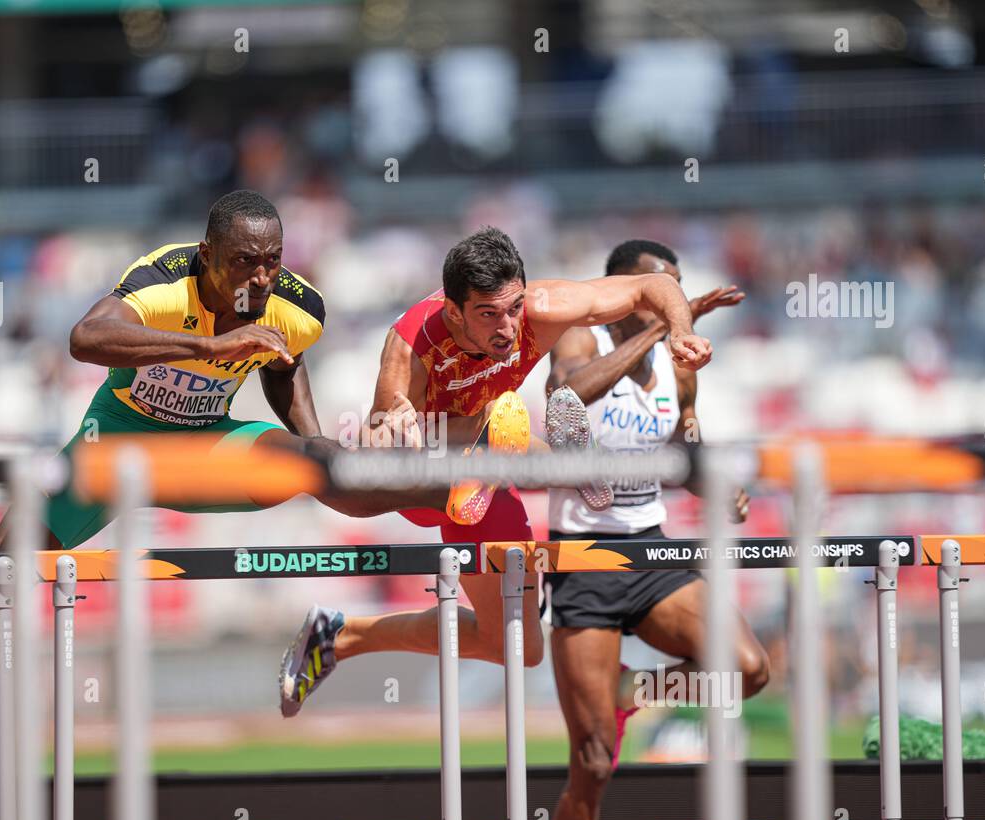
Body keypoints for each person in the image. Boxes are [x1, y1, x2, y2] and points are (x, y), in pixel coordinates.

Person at [0, 189, 443, 608]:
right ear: (208, 255)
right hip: (114, 444)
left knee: (325, 467)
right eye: (243, 263)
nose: (260, 279)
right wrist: (207, 347)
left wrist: (312, 437)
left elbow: (283, 362)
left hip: (202, 446)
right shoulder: (162, 280)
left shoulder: (298, 306)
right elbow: (85, 339)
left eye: (272, 263)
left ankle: (449, 488)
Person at [278, 226, 712, 716]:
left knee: (517, 645)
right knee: (365, 483)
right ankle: (557, 462)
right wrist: (390, 430)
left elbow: (650, 287)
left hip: (483, 481)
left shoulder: (543, 306)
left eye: (513, 309)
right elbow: (387, 449)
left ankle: (341, 635)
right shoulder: (411, 347)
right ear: (453, 311)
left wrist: (680, 328)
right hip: (428, 474)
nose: (506, 328)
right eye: (487, 314)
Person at [543, 239, 769, 820]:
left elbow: (684, 458)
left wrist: (717, 486)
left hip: (650, 550)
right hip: (583, 557)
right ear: (623, 292)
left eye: (677, 289)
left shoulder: (681, 368)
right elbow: (563, 405)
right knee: (592, 763)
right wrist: (654, 332)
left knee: (746, 670)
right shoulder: (576, 341)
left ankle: (631, 692)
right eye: (658, 291)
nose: (674, 302)